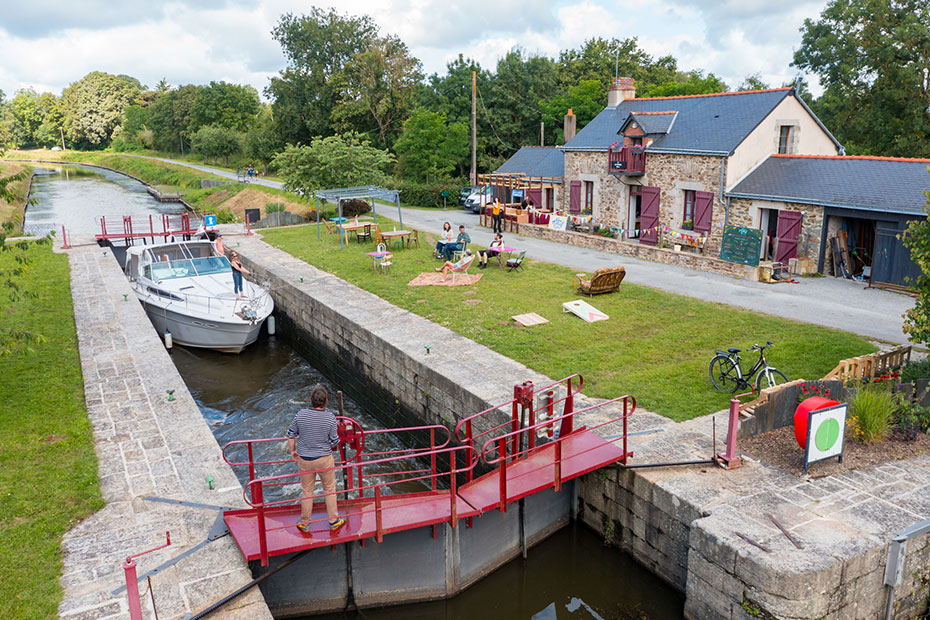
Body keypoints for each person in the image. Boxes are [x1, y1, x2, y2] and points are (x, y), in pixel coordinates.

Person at [287, 385, 346, 534]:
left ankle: (305, 523)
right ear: (325, 401)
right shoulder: (330, 418)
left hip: (305, 459)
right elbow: (334, 441)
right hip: (324, 459)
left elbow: (290, 434)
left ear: (311, 400)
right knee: (329, 489)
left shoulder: (300, 414)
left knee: (307, 491)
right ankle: (333, 521)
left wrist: (293, 451)